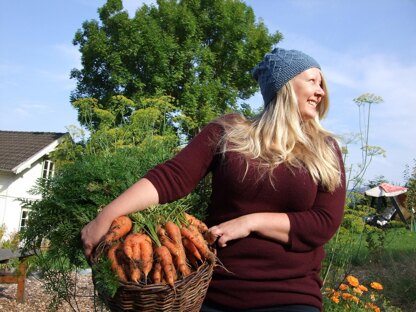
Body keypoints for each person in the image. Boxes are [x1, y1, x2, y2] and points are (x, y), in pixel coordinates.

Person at [81, 47, 346, 312]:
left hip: (293, 296)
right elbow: (172, 177)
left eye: (321, 84)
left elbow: (324, 222)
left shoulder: (324, 148)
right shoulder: (229, 132)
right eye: (312, 81)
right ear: (284, 85)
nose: (321, 91)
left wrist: (251, 223)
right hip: (218, 293)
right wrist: (105, 217)